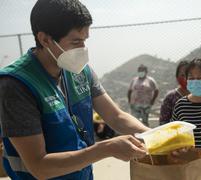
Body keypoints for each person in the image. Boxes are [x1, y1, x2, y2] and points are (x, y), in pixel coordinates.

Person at [0, 0, 149, 179]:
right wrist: (107, 148)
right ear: (45, 39)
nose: (83, 49)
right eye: (76, 41)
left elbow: (116, 117)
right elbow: (39, 166)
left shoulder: (79, 71)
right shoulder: (17, 85)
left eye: (84, 40)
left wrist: (155, 137)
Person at [159, 61, 189, 125]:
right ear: (177, 77)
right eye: (182, 75)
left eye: (188, 75)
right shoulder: (170, 97)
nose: (185, 78)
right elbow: (163, 122)